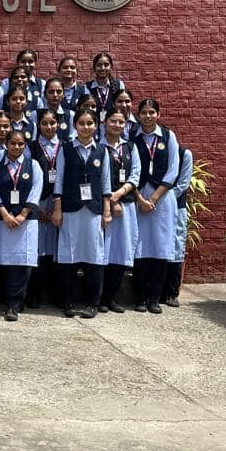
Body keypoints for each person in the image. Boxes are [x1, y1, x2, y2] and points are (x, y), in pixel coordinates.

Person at [51, 109, 112, 319]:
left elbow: (106, 182)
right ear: (75, 125)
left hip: (94, 210)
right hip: (70, 209)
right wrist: (57, 208)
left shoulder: (102, 150)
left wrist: (106, 211)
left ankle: (92, 303)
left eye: (90, 123)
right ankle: (66, 301)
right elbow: (59, 180)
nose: (86, 127)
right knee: (68, 255)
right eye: (82, 123)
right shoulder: (66, 149)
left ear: (96, 126)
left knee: (94, 256)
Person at [132, 97, 181, 313]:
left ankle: (154, 298)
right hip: (138, 195)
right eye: (144, 112)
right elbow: (129, 168)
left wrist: (153, 199)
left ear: (158, 115)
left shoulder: (168, 136)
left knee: (160, 246)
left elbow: (173, 169)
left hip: (162, 197)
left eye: (152, 112)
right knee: (140, 246)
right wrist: (140, 198)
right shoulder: (132, 137)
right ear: (138, 115)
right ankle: (140, 297)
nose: (148, 116)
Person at [0, 129, 42, 321]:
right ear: (6, 144)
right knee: (5, 261)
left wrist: (23, 214)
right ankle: (6, 300)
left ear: (25, 145)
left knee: (23, 263)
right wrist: (5, 214)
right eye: (13, 143)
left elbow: (36, 191)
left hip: (26, 222)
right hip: (4, 220)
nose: (16, 147)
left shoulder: (33, 165)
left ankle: (14, 304)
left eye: (20, 144)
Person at [100, 108, 140, 313]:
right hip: (103, 207)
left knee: (121, 250)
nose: (117, 125)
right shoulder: (98, 147)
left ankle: (111, 297)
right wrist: (110, 200)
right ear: (105, 122)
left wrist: (119, 194)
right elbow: (97, 177)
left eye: (121, 122)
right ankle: (98, 297)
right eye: (113, 121)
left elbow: (135, 175)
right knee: (102, 251)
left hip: (126, 205)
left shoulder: (130, 147)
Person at [29, 109, 63, 309]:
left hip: (59, 202)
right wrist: (36, 207)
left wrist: (60, 205)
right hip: (39, 201)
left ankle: (55, 294)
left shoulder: (65, 146)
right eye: (44, 123)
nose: (49, 127)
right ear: (38, 125)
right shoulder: (32, 147)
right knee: (38, 248)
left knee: (57, 248)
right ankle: (35, 293)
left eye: (52, 123)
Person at [163, 144, 195, 307]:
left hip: (176, 207)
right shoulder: (159, 152)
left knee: (176, 248)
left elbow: (183, 184)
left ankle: (172, 292)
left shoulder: (185, 154)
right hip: (155, 208)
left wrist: (162, 198)